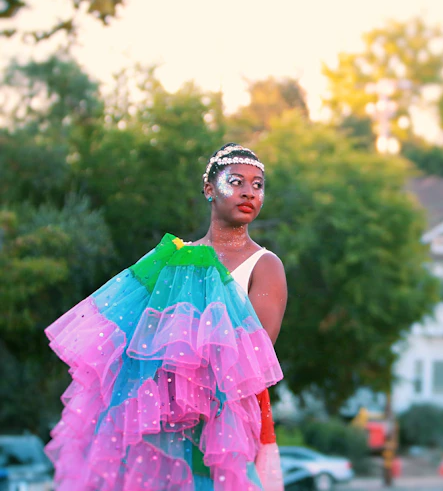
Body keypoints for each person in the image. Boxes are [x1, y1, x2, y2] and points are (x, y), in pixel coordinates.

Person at [44, 143, 288, 490]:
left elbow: (257, 358)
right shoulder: (171, 260)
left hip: (223, 422)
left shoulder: (265, 264)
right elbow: (135, 341)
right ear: (209, 189)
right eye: (236, 182)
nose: (249, 192)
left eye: (258, 185)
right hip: (160, 421)